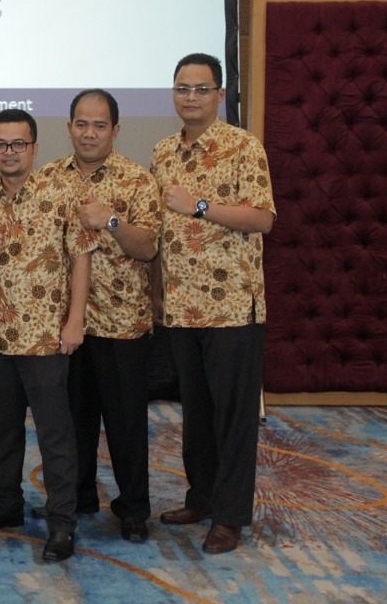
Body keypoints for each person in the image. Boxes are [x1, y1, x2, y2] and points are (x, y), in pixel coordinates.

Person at [0, 109, 95, 562]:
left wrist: (75, 321)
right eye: (1, 144)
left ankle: (62, 524)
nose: (9, 152)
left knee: (56, 435)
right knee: (2, 431)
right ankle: (7, 505)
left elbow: (80, 258)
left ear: (34, 148)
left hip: (44, 338)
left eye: (18, 144)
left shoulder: (63, 193)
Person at [151, 53, 275, 554]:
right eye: (182, 88)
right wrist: (157, 289)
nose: (191, 97)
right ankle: (200, 498)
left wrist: (200, 206)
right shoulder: (163, 152)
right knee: (196, 414)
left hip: (231, 308)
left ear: (220, 95)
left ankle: (229, 517)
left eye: (201, 89)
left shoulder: (244, 147)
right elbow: (161, 227)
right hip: (181, 306)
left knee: (233, 417)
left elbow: (263, 218)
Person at [37, 89, 162, 543]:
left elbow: (147, 249)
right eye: (81, 124)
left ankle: (133, 509)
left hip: (121, 323)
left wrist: (111, 220)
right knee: (71, 422)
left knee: (126, 424)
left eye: (99, 125)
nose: (89, 133)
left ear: (115, 130)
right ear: (69, 127)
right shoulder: (48, 178)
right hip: (65, 324)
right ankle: (78, 496)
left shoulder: (137, 180)